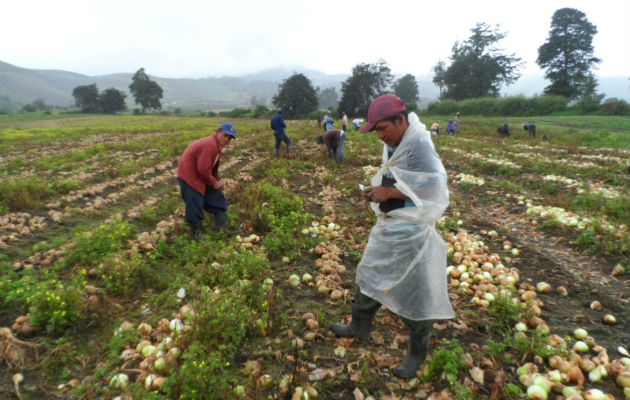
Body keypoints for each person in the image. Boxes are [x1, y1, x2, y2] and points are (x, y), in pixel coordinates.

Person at [330, 94, 454, 379]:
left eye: (383, 129)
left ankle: (416, 353)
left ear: (400, 120)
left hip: (412, 233)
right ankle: (359, 327)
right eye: (377, 132)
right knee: (371, 272)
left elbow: (436, 190)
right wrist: (377, 192)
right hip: (390, 225)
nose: (380, 136)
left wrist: (391, 193)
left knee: (417, 289)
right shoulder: (398, 142)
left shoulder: (419, 147)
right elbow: (399, 178)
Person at [177, 122, 238, 240]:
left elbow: (211, 168)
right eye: (225, 135)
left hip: (201, 176)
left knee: (217, 199)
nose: (227, 139)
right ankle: (195, 235)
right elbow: (203, 169)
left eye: (230, 138)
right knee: (195, 203)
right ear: (218, 132)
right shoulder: (210, 145)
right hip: (190, 177)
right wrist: (214, 182)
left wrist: (217, 180)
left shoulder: (217, 146)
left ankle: (222, 228)